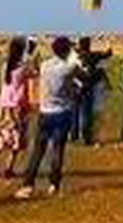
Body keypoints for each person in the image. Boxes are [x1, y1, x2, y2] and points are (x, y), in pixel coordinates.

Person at [16, 35, 82, 199]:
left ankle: (28, 185)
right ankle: (54, 185)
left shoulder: (45, 66)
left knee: (38, 151)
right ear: (66, 51)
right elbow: (79, 71)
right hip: (62, 113)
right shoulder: (68, 68)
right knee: (57, 150)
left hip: (45, 113)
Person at [0, 36, 36, 177]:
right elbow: (34, 74)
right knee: (16, 137)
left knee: (1, 135)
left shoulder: (5, 65)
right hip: (18, 105)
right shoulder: (24, 67)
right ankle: (9, 167)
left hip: (4, 104)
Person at [72, 37, 112, 147]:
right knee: (86, 113)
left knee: (75, 112)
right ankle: (86, 137)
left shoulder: (76, 55)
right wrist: (106, 40)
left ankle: (74, 135)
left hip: (76, 87)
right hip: (87, 87)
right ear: (89, 45)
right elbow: (108, 53)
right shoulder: (93, 56)